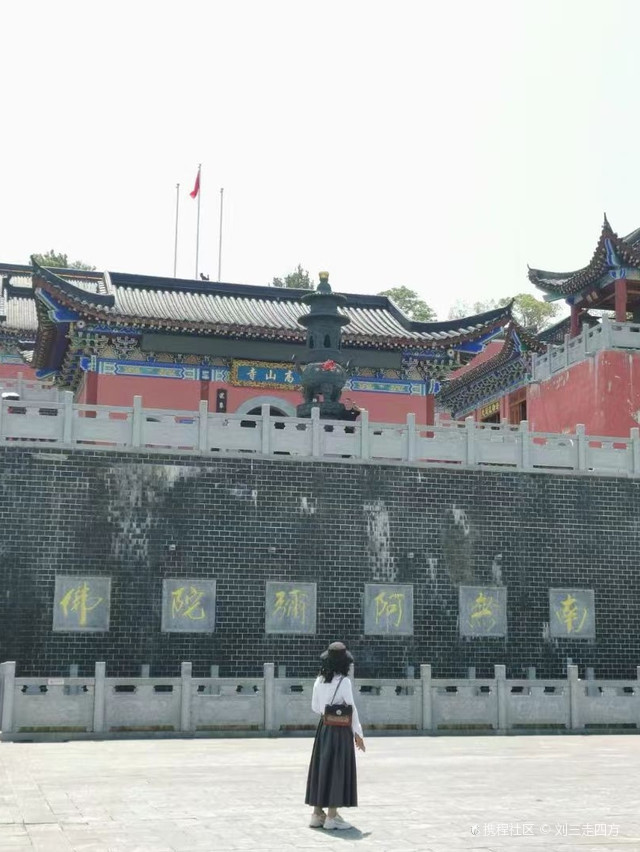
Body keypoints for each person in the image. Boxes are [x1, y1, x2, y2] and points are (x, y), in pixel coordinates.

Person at [305, 641, 365, 830]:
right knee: (337, 770)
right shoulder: (344, 682)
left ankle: (317, 814)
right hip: (340, 731)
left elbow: (315, 707)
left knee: (322, 769)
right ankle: (331, 816)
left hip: (324, 728)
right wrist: (358, 734)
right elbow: (351, 709)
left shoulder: (319, 680)